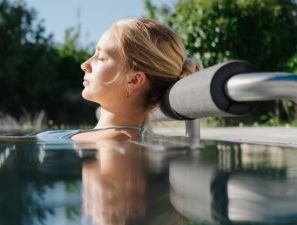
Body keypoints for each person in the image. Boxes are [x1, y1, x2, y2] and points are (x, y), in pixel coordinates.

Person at [37, 18, 202, 142]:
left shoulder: (115, 140)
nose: (84, 65)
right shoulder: (106, 137)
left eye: (101, 58)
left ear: (133, 81)